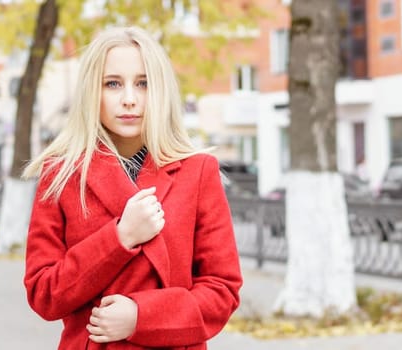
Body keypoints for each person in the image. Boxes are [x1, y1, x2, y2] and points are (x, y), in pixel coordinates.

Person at [22, 27, 242, 349]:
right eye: (113, 84)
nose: (129, 99)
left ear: (161, 90)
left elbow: (222, 291)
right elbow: (43, 293)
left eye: (143, 83)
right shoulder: (62, 173)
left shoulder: (197, 171)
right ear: (91, 92)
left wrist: (141, 317)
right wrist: (119, 238)